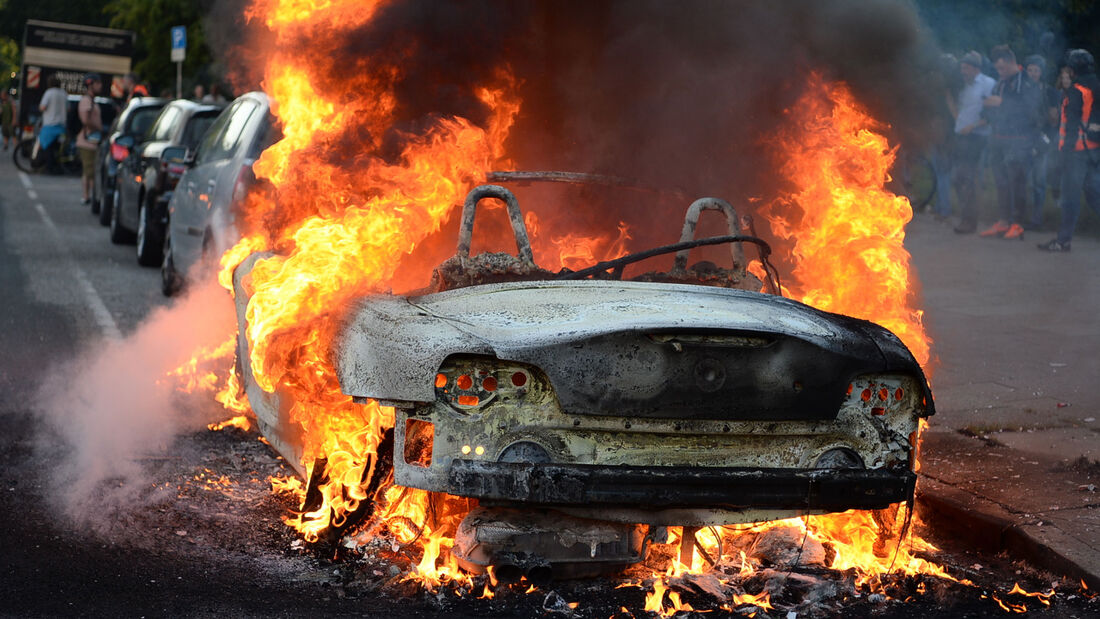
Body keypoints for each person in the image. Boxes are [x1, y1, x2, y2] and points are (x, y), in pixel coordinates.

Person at [1038, 49, 1100, 252]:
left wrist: (1064, 155)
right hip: (1093, 150)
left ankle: (1063, 241)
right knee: (1094, 195)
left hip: (1075, 152)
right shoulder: (1096, 86)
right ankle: (1063, 239)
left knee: (1070, 199)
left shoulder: (1077, 90)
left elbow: (1072, 126)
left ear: (1074, 69)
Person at [979, 45, 1042, 240]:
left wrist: (1002, 103)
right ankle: (1003, 221)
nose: (1001, 72)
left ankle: (1018, 223)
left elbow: (1032, 111)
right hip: (998, 139)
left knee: (1017, 183)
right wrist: (988, 107)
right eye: (998, 69)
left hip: (1019, 141)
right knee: (1001, 182)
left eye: (1003, 68)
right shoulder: (1001, 83)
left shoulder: (1026, 82)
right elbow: (992, 109)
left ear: (1013, 63)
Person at [952, 51, 996, 234]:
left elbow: (993, 113)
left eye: (966, 68)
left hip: (977, 136)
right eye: (962, 68)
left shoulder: (987, 84)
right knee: (958, 178)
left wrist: (974, 126)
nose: (963, 71)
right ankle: (967, 216)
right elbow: (957, 106)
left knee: (967, 177)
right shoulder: (962, 84)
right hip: (961, 136)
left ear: (976, 69)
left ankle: (969, 222)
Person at [1024, 55, 1060, 229]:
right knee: (1022, 180)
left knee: (1038, 182)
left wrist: (1044, 142)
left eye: (1036, 70)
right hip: (1022, 140)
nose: (1033, 73)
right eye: (1030, 70)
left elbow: (1054, 120)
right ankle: (1019, 217)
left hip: (1041, 140)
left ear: (1041, 72)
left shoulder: (1049, 92)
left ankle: (1036, 220)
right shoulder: (1019, 90)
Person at [76, 74, 103, 206]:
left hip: (91, 141)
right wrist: (98, 127)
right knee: (90, 170)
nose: (101, 86)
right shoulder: (87, 101)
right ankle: (95, 198)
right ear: (90, 84)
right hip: (87, 142)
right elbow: (85, 120)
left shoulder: (92, 100)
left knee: (87, 171)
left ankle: (87, 196)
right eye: (98, 83)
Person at [37, 75, 68, 174]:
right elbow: (69, 108)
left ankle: (49, 168)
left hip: (50, 125)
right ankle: (56, 167)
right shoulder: (64, 94)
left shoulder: (49, 93)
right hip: (61, 126)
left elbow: (42, 107)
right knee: (56, 149)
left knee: (47, 147)